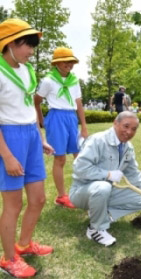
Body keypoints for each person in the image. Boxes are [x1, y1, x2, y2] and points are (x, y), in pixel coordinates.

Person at [0, 18, 54, 278]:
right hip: (8, 138)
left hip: (30, 135)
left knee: (39, 199)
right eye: (27, 45)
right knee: (13, 204)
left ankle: (24, 244)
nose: (31, 51)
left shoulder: (26, 70)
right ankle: (9, 259)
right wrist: (7, 156)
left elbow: (28, 107)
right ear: (10, 43)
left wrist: (39, 137)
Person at [69, 111, 141, 246]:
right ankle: (96, 229)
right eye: (126, 126)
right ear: (115, 123)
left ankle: (102, 215)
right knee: (103, 187)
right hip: (82, 192)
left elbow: (134, 174)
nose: (129, 132)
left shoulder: (128, 148)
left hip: (107, 191)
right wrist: (107, 174)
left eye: (133, 129)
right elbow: (80, 168)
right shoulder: (98, 140)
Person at [35, 47, 88, 208]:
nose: (69, 65)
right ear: (57, 63)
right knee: (60, 158)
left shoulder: (74, 81)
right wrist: (41, 119)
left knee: (79, 156)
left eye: (71, 62)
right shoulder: (48, 80)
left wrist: (84, 127)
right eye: (65, 61)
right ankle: (61, 196)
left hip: (71, 118)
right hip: (56, 117)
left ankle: (84, 192)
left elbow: (79, 104)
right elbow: (36, 101)